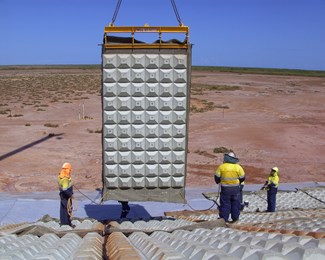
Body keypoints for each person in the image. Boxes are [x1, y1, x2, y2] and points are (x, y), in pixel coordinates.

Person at [215, 152, 245, 223]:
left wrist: (220, 181)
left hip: (225, 189)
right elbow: (242, 178)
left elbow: (217, 178)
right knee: (235, 203)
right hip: (235, 189)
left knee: (225, 204)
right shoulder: (238, 167)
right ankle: (235, 218)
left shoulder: (221, 167)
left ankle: (224, 219)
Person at [57, 162, 74, 226]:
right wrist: (70, 195)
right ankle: (66, 223)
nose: (70, 171)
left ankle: (63, 222)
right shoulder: (65, 179)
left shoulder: (60, 177)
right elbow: (65, 189)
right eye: (69, 170)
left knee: (63, 208)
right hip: (66, 195)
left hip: (62, 195)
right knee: (67, 208)